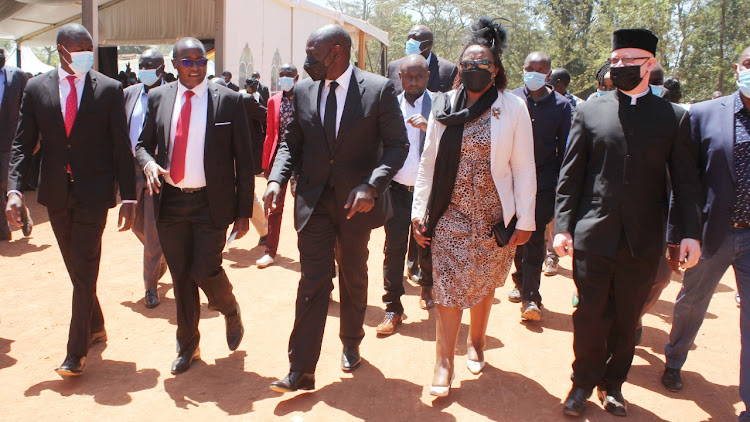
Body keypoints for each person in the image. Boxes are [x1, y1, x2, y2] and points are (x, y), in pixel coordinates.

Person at [554, 28, 702, 417]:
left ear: (650, 65)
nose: (617, 67)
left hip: (643, 239)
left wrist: (690, 234)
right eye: (615, 60)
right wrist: (564, 226)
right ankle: (582, 384)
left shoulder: (673, 117)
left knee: (627, 317)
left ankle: (613, 385)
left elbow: (686, 182)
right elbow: (571, 175)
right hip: (593, 233)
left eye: (628, 61)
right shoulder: (590, 109)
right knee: (589, 314)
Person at [264, 24, 408, 392]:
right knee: (313, 280)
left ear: (337, 52)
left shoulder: (377, 90)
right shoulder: (302, 90)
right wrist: (276, 180)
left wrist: (372, 186)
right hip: (314, 201)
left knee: (353, 273)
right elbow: (288, 143)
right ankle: (301, 368)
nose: (307, 60)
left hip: (355, 204)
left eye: (314, 53)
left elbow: (396, 146)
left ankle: (351, 341)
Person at [412, 17, 536, 397]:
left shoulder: (512, 107)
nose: (474, 69)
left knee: (483, 285)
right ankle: (443, 361)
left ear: (495, 70)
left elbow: (523, 165)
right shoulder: (443, 105)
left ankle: (478, 342)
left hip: (494, 216)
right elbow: (429, 161)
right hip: (448, 211)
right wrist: (420, 210)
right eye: (467, 64)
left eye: (482, 64)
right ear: (458, 69)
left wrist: (526, 219)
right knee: (447, 287)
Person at [5, 23, 137, 376]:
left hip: (94, 192)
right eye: (78, 49)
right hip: (56, 192)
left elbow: (121, 146)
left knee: (85, 265)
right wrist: (15, 190)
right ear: (61, 50)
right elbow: (21, 144)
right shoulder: (36, 89)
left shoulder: (109, 90)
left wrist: (130, 197)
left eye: (88, 49)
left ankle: (75, 352)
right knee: (78, 270)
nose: (84, 55)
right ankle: (96, 326)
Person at [135, 37, 250, 375]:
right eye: (187, 61)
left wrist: (243, 211)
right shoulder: (158, 98)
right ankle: (188, 346)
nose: (196, 66)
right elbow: (143, 145)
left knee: (204, 270)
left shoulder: (228, 101)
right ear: (173, 64)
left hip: (210, 203)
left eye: (201, 60)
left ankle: (228, 308)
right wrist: (148, 164)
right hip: (169, 203)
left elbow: (244, 162)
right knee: (182, 276)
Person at [661, 47, 750, 422]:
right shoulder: (703, 114)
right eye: (749, 64)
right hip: (711, 234)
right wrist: (677, 234)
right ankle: (675, 359)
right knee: (692, 303)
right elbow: (684, 181)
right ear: (737, 68)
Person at [508, 52, 572, 321]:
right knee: (516, 237)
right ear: (522, 70)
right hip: (510, 182)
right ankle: (520, 279)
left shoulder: (562, 106)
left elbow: (566, 148)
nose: (534, 72)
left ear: (549, 73)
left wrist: (559, 183)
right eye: (529, 68)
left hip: (542, 184)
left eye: (540, 69)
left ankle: (531, 298)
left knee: (533, 238)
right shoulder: (510, 100)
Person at [376, 54, 435, 336]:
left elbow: (454, 143)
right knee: (394, 247)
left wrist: (431, 127)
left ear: (427, 77)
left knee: (427, 244)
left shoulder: (440, 105)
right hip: (396, 189)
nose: (413, 82)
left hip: (428, 192)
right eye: (408, 77)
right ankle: (393, 307)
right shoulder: (388, 105)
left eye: (419, 76)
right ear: (399, 77)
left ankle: (427, 285)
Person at [123, 49, 168, 309]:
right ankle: (160, 258)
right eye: (141, 66)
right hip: (132, 170)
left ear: (161, 69)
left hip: (156, 170)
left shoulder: (169, 93)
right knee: (135, 225)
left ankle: (150, 286)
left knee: (151, 230)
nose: (144, 70)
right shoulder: (129, 94)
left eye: (149, 66)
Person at [257, 63, 298, 268]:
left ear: (296, 78)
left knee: (302, 207)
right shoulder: (273, 101)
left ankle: (307, 252)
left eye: (288, 75)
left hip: (301, 160)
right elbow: (270, 133)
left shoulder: (304, 99)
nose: (284, 79)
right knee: (274, 206)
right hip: (278, 160)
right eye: (281, 75)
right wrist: (267, 161)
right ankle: (270, 251)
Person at [0, 47, 30, 241]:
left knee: (7, 183)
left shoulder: (18, 76)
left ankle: (22, 213)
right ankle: (3, 230)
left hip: (10, 142)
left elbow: (29, 108)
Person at [386, 25, 458, 94]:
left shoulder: (449, 70)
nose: (410, 42)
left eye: (416, 39)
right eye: (409, 38)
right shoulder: (393, 68)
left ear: (429, 44)